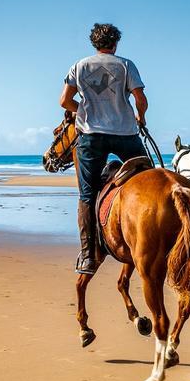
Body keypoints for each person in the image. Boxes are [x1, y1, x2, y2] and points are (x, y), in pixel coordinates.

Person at [60, 23, 149, 275]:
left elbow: (64, 101)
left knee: (87, 195)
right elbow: (140, 100)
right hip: (125, 133)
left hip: (91, 136)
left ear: (94, 43)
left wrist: (85, 111)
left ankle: (88, 256)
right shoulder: (125, 65)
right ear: (115, 43)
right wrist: (140, 118)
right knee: (149, 178)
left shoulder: (79, 66)